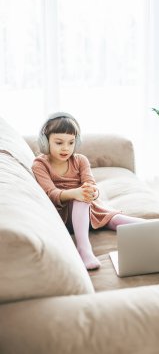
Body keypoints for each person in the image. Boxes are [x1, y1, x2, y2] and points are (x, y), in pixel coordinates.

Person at [32, 112, 144, 270]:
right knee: (81, 199)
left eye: (71, 143)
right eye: (59, 143)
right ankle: (84, 250)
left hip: (87, 208)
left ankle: (158, 227)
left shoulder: (81, 160)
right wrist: (77, 194)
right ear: (45, 142)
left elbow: (91, 184)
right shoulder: (40, 164)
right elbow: (51, 194)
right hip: (63, 213)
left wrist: (92, 192)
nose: (66, 148)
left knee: (115, 220)